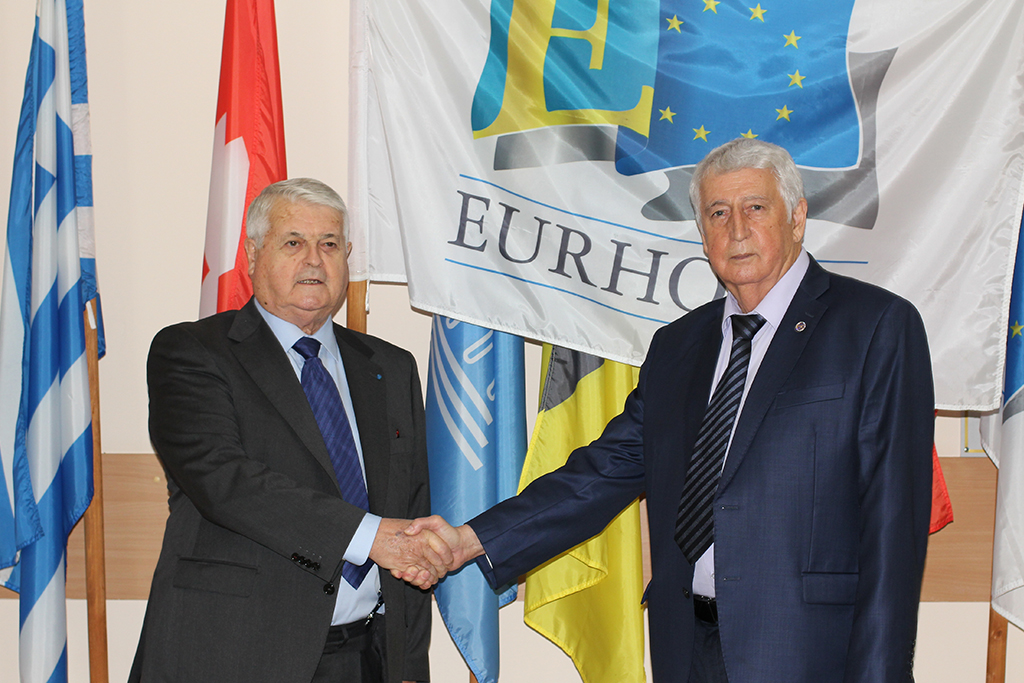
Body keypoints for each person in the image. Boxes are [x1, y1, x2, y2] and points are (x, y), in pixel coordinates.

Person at [407, 138, 934, 683]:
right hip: (685, 648)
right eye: (718, 213)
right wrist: (469, 540)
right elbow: (600, 473)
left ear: (797, 218)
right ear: (703, 234)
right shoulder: (679, 346)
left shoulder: (875, 328)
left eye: (755, 207)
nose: (736, 230)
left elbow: (893, 530)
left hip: (808, 654)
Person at [130, 178, 448, 683]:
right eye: (293, 242)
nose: (314, 260)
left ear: (347, 257)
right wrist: (369, 538)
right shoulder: (192, 352)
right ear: (253, 254)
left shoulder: (390, 367)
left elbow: (409, 512)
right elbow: (225, 482)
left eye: (329, 244)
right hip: (232, 656)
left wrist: (409, 665)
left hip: (364, 659)